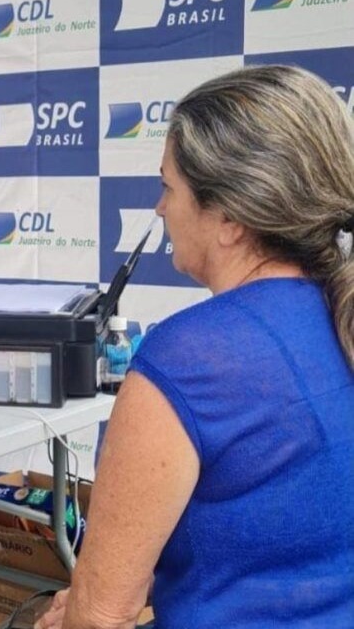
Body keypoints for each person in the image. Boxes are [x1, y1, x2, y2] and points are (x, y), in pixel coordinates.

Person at [36, 65, 354, 629]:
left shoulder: (189, 359)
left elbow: (102, 616)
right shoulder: (336, 313)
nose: (160, 209)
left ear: (229, 217)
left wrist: (79, 613)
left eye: (168, 187)